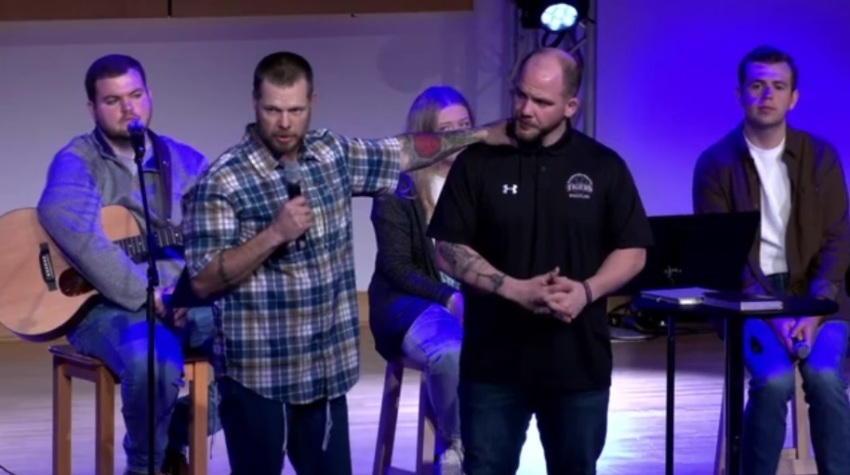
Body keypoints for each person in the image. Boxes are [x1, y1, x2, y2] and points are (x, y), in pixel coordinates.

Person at [180, 51, 511, 475]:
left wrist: (480, 136)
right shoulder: (224, 179)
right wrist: (273, 235)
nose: (284, 123)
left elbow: (407, 150)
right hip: (258, 374)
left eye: (295, 110)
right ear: (254, 103)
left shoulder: (333, 154)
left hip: (324, 374)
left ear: (312, 103)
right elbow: (204, 280)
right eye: (273, 110)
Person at [426, 47, 653, 474]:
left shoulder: (604, 167)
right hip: (494, 365)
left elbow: (633, 250)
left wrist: (586, 291)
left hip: (577, 366)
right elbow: (447, 247)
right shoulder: (478, 162)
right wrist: (515, 289)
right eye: (519, 96)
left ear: (571, 106)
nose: (525, 110)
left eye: (542, 102)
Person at [36, 54, 220, 475]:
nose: (128, 108)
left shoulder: (187, 162)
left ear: (149, 95)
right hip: (101, 308)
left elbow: (215, 236)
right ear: (92, 109)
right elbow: (72, 226)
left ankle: (175, 443)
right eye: (113, 100)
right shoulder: (77, 160)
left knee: (256, 340)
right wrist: (145, 292)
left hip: (180, 301)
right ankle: (146, 467)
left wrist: (188, 290)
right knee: (153, 359)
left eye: (136, 95)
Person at [693, 45, 850, 474]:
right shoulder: (715, 163)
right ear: (740, 93)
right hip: (745, 304)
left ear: (793, 97)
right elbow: (723, 254)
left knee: (825, 376)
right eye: (757, 85)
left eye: (778, 86)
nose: (767, 95)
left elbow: (839, 241)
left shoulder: (821, 157)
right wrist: (772, 311)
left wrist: (815, 309)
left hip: (822, 299)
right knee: (775, 378)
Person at [367, 85, 474, 474]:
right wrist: (449, 298)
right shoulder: (400, 188)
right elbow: (398, 268)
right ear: (426, 135)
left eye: (466, 125)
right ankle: (458, 444)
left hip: (473, 296)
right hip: (410, 299)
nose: (460, 136)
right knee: (448, 350)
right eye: (449, 128)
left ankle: (498, 443)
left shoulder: (484, 180)